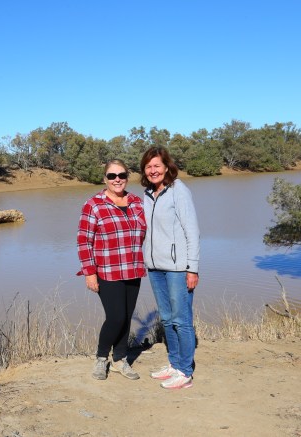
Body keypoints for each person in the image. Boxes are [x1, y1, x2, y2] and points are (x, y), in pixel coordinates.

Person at [77, 159, 147, 381]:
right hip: (107, 271)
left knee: (126, 318)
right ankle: (100, 358)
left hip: (134, 268)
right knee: (116, 317)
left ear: (127, 176)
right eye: (112, 176)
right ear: (104, 179)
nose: (117, 180)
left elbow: (148, 231)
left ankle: (120, 359)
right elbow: (83, 241)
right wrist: (89, 272)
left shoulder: (137, 202)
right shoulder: (93, 205)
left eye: (121, 175)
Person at [140, 147, 200, 390]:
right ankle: (174, 364)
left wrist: (192, 268)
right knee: (166, 319)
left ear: (166, 166)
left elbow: (192, 231)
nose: (153, 170)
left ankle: (185, 371)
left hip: (177, 268)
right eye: (148, 166)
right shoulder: (147, 193)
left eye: (157, 165)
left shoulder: (179, 191)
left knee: (181, 320)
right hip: (155, 267)